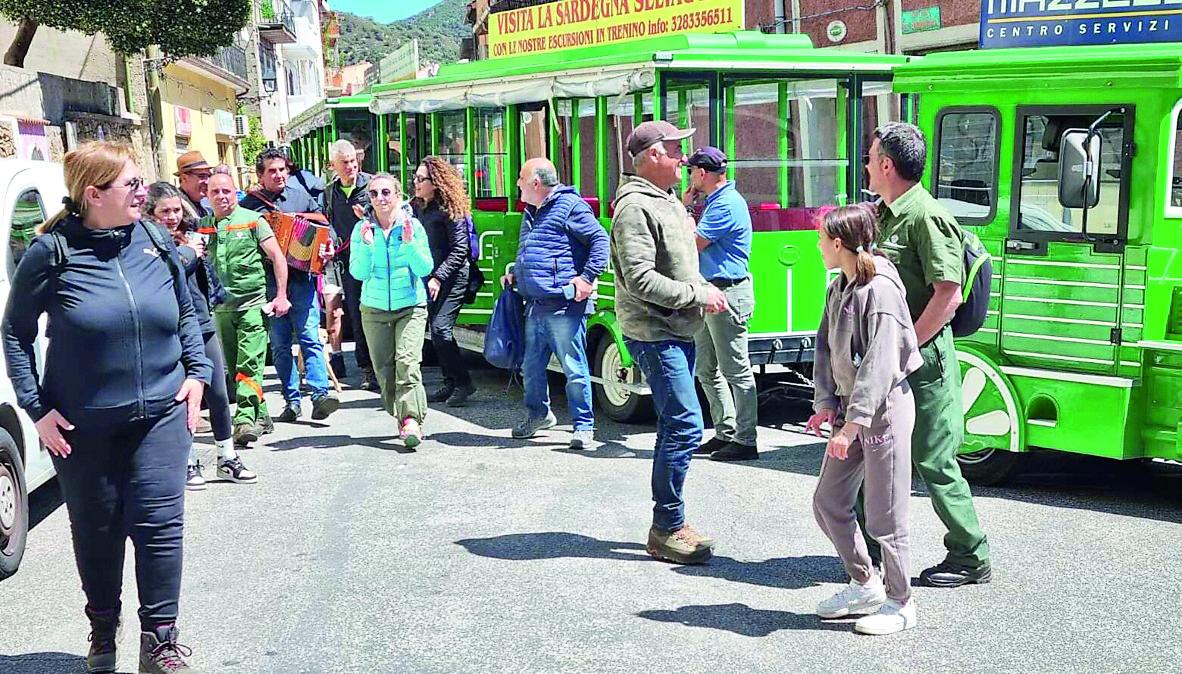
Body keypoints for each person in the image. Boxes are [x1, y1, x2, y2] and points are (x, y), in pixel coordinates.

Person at [2, 141, 211, 673]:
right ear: (94, 195)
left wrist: (197, 374)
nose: (144, 192)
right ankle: (102, 625)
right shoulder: (51, 253)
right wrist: (36, 408)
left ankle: (160, 641)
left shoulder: (154, 239)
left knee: (160, 525)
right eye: (132, 184)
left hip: (162, 414)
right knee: (97, 531)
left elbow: (186, 311)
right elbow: (15, 332)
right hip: (83, 425)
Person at [867, 122, 993, 587]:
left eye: (870, 157)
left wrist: (907, 346)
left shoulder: (926, 217)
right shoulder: (885, 213)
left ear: (886, 165)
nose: (866, 165)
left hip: (924, 359)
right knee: (871, 449)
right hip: (888, 354)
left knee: (934, 459)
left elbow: (948, 295)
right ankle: (867, 546)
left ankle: (970, 554)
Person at [610, 121, 729, 565]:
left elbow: (679, 264)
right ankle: (667, 526)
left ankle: (669, 522)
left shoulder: (666, 199)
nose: (685, 158)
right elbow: (640, 279)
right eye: (676, 150)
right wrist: (698, 294)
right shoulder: (635, 208)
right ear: (654, 156)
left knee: (676, 423)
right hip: (654, 332)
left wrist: (700, 290)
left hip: (676, 328)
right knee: (684, 424)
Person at [806, 203, 923, 636]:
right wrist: (825, 404)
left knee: (885, 516)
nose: (818, 247)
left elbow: (880, 364)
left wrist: (852, 426)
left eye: (821, 240)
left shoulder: (881, 290)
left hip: (883, 413)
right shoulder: (839, 286)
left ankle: (901, 602)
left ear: (838, 243)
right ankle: (865, 584)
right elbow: (825, 347)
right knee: (828, 502)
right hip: (852, 411)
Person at [145, 182, 257, 488]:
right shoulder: (147, 241)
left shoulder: (191, 235)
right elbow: (163, 274)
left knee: (218, 393)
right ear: (151, 212)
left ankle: (227, 457)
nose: (172, 217)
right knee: (183, 397)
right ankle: (189, 462)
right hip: (170, 329)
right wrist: (186, 254)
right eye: (165, 211)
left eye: (176, 210)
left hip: (201, 322)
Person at [501, 158, 608, 449]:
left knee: (574, 369)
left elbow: (600, 241)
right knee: (531, 368)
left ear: (536, 183)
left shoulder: (570, 206)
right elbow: (536, 251)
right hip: (535, 304)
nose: (517, 184)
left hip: (564, 305)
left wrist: (586, 278)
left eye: (521, 178)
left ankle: (583, 427)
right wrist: (516, 274)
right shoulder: (531, 210)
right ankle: (538, 415)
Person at [241, 147, 341, 422]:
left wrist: (327, 246)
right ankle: (292, 401)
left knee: (310, 337)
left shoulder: (301, 196)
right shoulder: (249, 206)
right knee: (280, 344)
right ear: (260, 176)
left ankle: (320, 395)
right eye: (272, 171)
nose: (279, 175)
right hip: (269, 284)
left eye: (282, 169)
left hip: (302, 279)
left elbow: (325, 227)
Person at [683, 147, 760, 462]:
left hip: (727, 293)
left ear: (702, 173)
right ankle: (725, 431)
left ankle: (746, 440)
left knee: (735, 370)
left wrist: (685, 209)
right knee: (706, 368)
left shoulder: (726, 203)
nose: (689, 177)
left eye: (691, 171)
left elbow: (693, 243)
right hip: (710, 292)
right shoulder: (717, 200)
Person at [205, 170, 292, 445]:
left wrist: (281, 296)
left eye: (226, 191)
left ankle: (243, 420)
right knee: (235, 369)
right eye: (215, 192)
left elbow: (278, 257)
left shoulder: (253, 221)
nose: (221, 196)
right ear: (207, 196)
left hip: (252, 306)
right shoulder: (203, 226)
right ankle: (262, 415)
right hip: (221, 309)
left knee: (249, 365)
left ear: (236, 192)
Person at [350, 174, 434, 447]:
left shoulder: (413, 226)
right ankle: (400, 414)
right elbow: (358, 273)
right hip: (374, 308)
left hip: (410, 306)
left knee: (407, 363)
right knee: (384, 371)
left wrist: (409, 245)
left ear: (398, 195)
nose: (380, 198)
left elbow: (424, 268)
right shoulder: (362, 229)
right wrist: (367, 247)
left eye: (386, 192)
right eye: (374, 194)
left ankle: (411, 419)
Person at [413, 156, 477, 407]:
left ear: (436, 182)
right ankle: (450, 381)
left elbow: (460, 250)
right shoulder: (419, 207)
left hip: (454, 276)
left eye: (421, 179)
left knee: (441, 329)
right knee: (435, 330)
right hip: (431, 277)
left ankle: (463, 383)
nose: (416, 183)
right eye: (416, 178)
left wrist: (439, 277)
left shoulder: (451, 210)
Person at [323, 138, 377, 390]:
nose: (351, 167)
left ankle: (381, 366)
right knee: (355, 314)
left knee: (375, 312)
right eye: (344, 163)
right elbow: (327, 223)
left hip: (375, 258)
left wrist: (367, 216)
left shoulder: (372, 186)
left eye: (353, 161)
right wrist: (331, 242)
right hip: (347, 261)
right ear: (333, 165)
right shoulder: (329, 192)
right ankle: (366, 368)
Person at [174, 150, 213, 219]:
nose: (207, 181)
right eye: (202, 176)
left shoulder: (203, 205)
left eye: (209, 176)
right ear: (184, 178)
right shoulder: (176, 207)